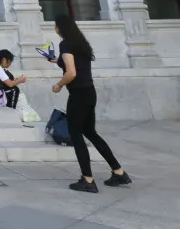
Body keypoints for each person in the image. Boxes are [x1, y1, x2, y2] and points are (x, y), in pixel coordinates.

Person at [50, 13, 131, 193]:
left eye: (55, 25)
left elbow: (71, 73)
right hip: (89, 92)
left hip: (78, 94)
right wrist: (56, 60)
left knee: (76, 134)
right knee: (90, 132)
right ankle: (118, 172)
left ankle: (87, 179)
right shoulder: (81, 44)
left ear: (59, 27)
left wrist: (58, 85)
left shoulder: (66, 44)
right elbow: (74, 64)